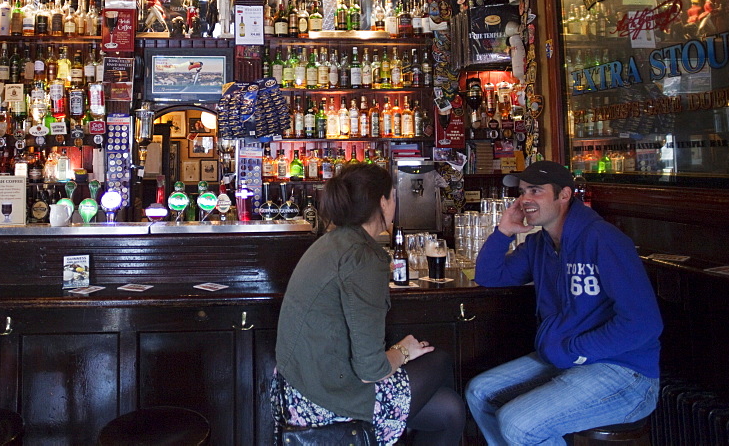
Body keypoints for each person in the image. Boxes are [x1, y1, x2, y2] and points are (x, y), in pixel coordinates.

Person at [465, 161, 662, 445]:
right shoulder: (540, 245)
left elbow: (644, 323)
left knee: (519, 424)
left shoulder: (602, 239)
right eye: (521, 192)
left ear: (565, 195)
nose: (525, 200)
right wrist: (504, 232)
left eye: (535, 190)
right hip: (566, 360)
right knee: (479, 392)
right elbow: (489, 276)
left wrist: (575, 351)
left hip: (625, 373)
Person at [273, 163, 466, 446]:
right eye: (394, 196)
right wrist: (403, 351)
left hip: (299, 390)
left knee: (450, 410)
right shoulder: (364, 256)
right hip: (328, 401)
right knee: (438, 360)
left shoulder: (331, 242)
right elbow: (370, 371)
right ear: (383, 202)